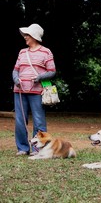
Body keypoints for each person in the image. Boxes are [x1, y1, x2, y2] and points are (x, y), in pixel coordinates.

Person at [12, 23, 56, 156]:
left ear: (34, 36)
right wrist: (15, 79)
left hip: (37, 92)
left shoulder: (46, 52)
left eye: (27, 35)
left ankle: (39, 149)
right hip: (19, 91)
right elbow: (15, 70)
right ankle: (23, 148)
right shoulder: (22, 52)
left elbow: (52, 71)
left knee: (39, 120)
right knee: (20, 120)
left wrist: (40, 77)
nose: (25, 37)